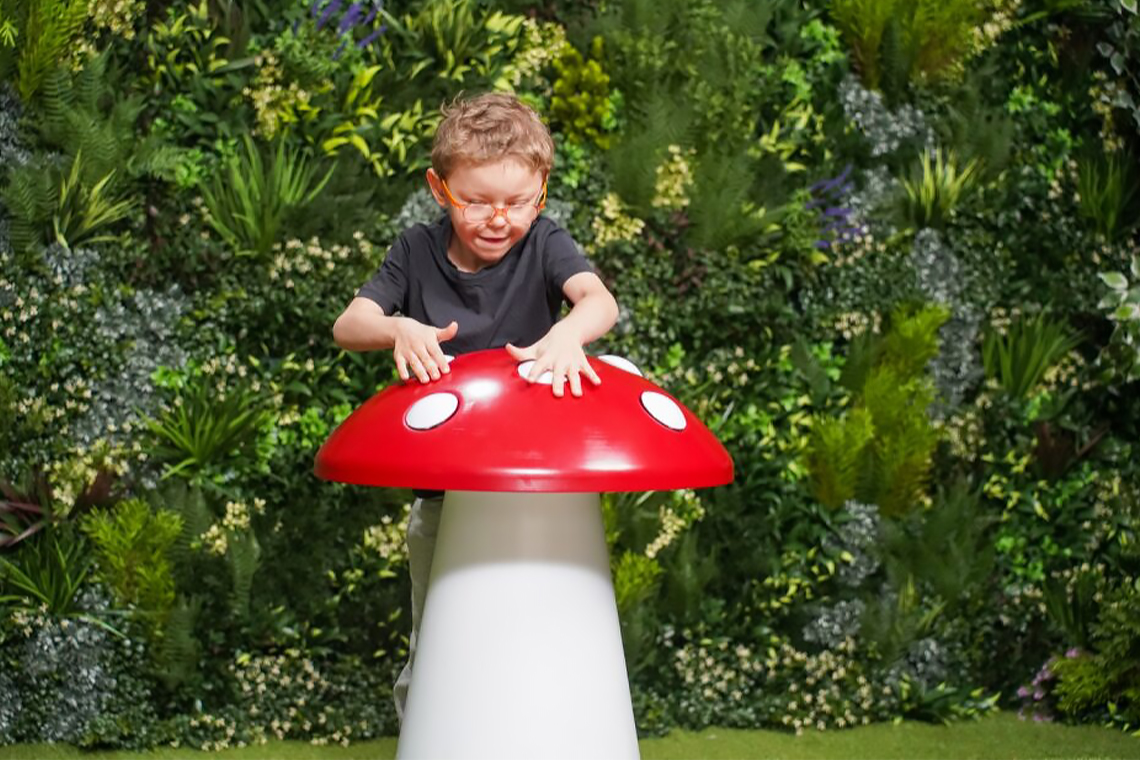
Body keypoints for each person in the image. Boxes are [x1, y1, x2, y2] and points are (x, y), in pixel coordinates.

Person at [331, 91, 620, 725]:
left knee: (533, 639)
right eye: (477, 201)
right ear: (440, 188)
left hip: (536, 500)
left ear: (541, 189)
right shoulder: (414, 251)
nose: (498, 218)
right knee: (438, 646)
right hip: (442, 499)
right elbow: (349, 324)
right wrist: (398, 327)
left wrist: (571, 333)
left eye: (518, 201)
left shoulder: (544, 244)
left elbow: (598, 301)